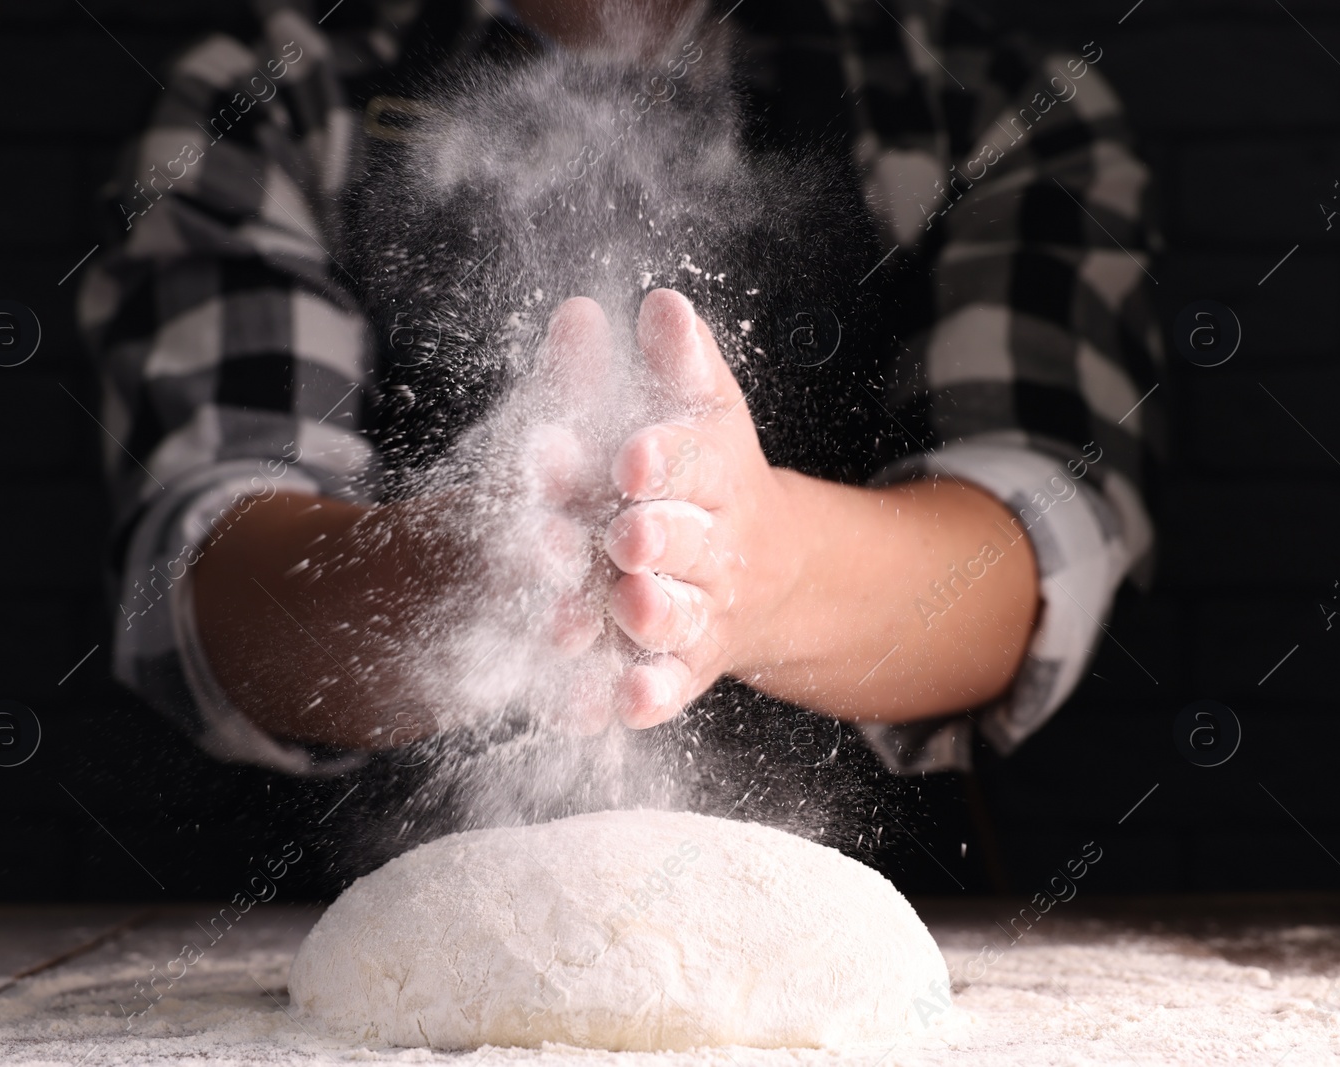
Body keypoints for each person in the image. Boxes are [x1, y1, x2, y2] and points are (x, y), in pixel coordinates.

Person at [78, 0, 1159, 783]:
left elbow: (1038, 533)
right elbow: (203, 570)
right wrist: (452, 575)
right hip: (303, 975)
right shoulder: (273, 91)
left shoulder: (984, 104)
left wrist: (758, 569)